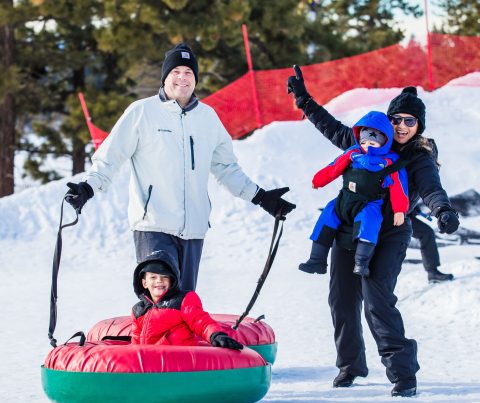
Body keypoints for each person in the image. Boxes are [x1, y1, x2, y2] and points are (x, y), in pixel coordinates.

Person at [65, 43, 295, 291]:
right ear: (165, 77)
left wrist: (261, 198)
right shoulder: (142, 112)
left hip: (193, 229)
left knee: (185, 307)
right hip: (153, 225)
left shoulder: (208, 118)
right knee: (161, 300)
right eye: (176, 72)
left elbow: (227, 168)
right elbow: (110, 157)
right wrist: (89, 187)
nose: (182, 78)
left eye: (188, 72)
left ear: (195, 79)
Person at [287, 65, 460, 397]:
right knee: (341, 299)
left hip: (390, 234)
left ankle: (403, 374)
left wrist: (443, 211)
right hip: (350, 229)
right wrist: (305, 100)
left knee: (377, 299)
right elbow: (331, 127)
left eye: (410, 121)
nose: (402, 126)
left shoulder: (418, 158)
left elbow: (431, 189)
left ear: (419, 125)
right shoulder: (369, 140)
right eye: (397, 119)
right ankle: (350, 365)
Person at [299, 111, 409, 277]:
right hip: (345, 199)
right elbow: (333, 167)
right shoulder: (352, 154)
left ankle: (361, 263)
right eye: (364, 141)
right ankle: (317, 260)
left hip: (369, 203)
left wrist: (400, 209)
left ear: (385, 141)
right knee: (327, 216)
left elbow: (399, 187)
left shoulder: (390, 163)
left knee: (369, 223)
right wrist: (318, 180)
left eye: (373, 142)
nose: (368, 145)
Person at [131, 249, 243, 349]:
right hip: (150, 364)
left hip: (179, 361)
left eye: (165, 277)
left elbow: (201, 321)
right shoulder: (138, 310)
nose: (159, 280)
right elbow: (136, 340)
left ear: (172, 281)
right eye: (153, 277)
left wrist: (216, 334)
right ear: (144, 283)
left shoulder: (182, 300)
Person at [409, 203, 454, 284]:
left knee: (427, 233)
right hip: (392, 215)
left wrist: (413, 207)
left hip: (405, 214)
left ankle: (432, 273)